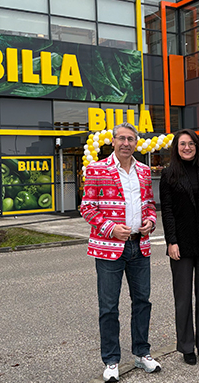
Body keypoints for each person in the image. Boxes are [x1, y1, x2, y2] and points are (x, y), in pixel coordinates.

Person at [80, 122, 161, 382]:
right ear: (112, 141)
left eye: (131, 139)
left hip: (140, 244)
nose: (126, 143)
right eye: (122, 138)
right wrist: (111, 228)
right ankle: (111, 360)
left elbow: (149, 204)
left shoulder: (145, 171)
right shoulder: (96, 169)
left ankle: (141, 353)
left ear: (136, 143)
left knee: (142, 302)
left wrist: (150, 221)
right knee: (109, 307)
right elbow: (87, 208)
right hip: (108, 248)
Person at [160, 129, 199, 366]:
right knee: (183, 298)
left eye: (191, 143)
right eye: (182, 144)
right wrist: (171, 241)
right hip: (181, 245)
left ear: (197, 146)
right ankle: (186, 346)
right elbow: (167, 210)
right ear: (176, 147)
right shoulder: (169, 174)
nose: (187, 147)